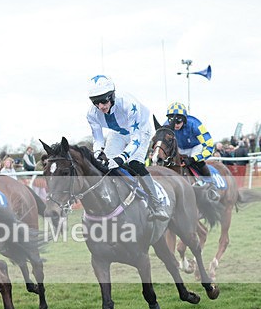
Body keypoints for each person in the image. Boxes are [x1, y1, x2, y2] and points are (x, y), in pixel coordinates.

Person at [86, 74, 168, 221]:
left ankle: (157, 205)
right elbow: (97, 138)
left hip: (140, 131)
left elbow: (135, 138)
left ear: (112, 96)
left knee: (134, 163)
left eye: (103, 101)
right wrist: (98, 152)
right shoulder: (92, 114)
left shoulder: (128, 104)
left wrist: (122, 157)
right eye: (95, 103)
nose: (100, 107)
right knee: (106, 166)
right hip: (118, 133)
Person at [163, 101, 220, 202]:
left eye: (178, 122)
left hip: (195, 146)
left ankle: (211, 186)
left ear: (184, 120)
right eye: (173, 122)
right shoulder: (166, 125)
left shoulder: (194, 124)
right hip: (179, 148)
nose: (176, 125)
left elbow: (210, 146)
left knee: (197, 161)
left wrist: (195, 158)